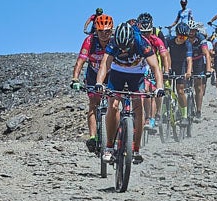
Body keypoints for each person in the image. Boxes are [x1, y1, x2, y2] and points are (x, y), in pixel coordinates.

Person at [95, 22, 166, 165]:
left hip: (137, 73)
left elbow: (155, 67)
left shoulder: (142, 42)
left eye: (126, 48)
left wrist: (159, 87)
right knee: (113, 105)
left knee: (138, 107)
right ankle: (109, 147)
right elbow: (105, 65)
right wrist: (99, 83)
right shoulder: (114, 42)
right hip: (117, 72)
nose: (123, 51)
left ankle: (136, 149)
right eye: (121, 48)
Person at [71, 13, 114, 151]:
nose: (104, 34)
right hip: (92, 74)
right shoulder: (89, 41)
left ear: (111, 31)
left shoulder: (115, 42)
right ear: (96, 30)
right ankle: (93, 137)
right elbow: (80, 61)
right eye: (100, 31)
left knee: (113, 103)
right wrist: (75, 79)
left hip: (111, 74)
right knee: (93, 104)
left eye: (107, 31)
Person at [137, 12, 170, 131]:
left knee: (154, 90)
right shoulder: (136, 38)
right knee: (143, 92)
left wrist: (166, 70)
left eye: (148, 32)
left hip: (153, 66)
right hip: (140, 67)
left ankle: (154, 116)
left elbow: (164, 55)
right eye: (143, 33)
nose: (145, 35)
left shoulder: (156, 39)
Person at [165, 22, 193, 123]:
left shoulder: (187, 44)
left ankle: (184, 116)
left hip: (182, 66)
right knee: (166, 88)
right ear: (176, 34)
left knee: (180, 90)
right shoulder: (169, 40)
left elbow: (189, 60)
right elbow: (164, 53)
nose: (182, 39)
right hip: (170, 65)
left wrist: (188, 72)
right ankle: (164, 112)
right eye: (180, 36)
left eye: (185, 37)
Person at [187, 21, 213, 120]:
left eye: (192, 31)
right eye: (189, 30)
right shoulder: (184, 38)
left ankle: (198, 110)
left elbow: (207, 54)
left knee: (198, 87)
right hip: (187, 61)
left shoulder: (201, 38)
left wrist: (208, 70)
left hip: (198, 62)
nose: (190, 33)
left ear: (196, 31)